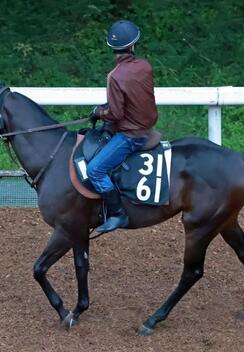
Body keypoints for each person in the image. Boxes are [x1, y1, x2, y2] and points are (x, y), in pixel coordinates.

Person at [87, 19, 158, 234]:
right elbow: (131, 101)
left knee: (95, 170)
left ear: (112, 48)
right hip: (147, 127)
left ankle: (118, 213)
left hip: (131, 136)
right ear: (133, 45)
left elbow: (116, 113)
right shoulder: (145, 66)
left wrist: (98, 112)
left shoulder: (114, 76)